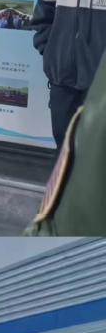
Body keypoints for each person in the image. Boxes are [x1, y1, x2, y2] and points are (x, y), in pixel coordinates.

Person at [31, 0, 106, 152]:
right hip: (63, 82)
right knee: (65, 148)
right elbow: (42, 17)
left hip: (101, 86)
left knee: (96, 155)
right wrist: (51, 52)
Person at [25, 43, 106, 235]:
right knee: (63, 150)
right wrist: (52, 50)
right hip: (63, 78)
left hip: (95, 78)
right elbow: (44, 24)